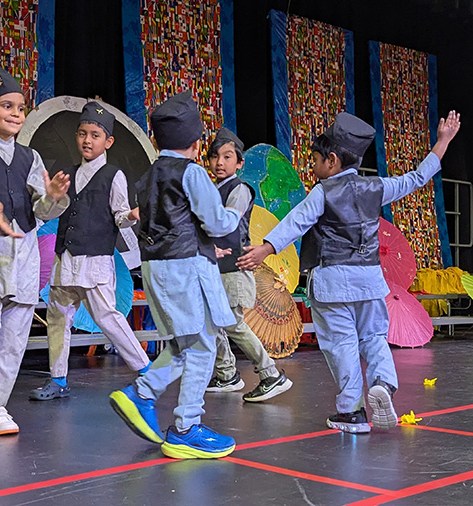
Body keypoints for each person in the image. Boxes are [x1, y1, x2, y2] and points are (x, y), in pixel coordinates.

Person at [237, 111, 461, 433]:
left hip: (331, 281)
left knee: (341, 344)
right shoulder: (376, 188)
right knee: (374, 338)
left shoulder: (323, 192)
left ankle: (352, 413)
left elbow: (296, 223)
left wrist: (266, 248)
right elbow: (416, 178)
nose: (312, 168)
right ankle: (383, 382)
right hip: (369, 280)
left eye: (315, 161)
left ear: (331, 160)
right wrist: (443, 141)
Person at [109, 92, 242, 459]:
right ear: (198, 144)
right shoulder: (192, 172)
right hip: (185, 268)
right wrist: (235, 212)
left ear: (155, 139)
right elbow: (215, 223)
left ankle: (145, 394)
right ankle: (183, 426)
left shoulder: (147, 174)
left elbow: (169, 223)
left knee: (186, 343)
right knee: (201, 345)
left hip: (156, 266)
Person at [0, 67, 71, 435]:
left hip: (24, 258)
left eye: (21, 107)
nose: (16, 113)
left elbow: (40, 211)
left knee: (15, 336)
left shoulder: (31, 158)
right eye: (7, 106)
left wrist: (53, 198)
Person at [30, 101, 150, 401]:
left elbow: (120, 215)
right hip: (65, 260)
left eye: (95, 135)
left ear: (107, 140)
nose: (87, 140)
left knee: (108, 317)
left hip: (95, 261)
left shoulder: (114, 175)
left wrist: (132, 216)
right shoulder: (67, 173)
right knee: (58, 319)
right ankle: (57, 379)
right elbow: (48, 212)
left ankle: (147, 372)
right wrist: (51, 196)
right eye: (83, 133)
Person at [205, 127, 293, 402]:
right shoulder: (212, 189)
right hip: (215, 267)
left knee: (231, 322)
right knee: (212, 323)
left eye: (227, 157)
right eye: (215, 157)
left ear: (239, 163)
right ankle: (227, 373)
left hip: (233, 266)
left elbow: (228, 222)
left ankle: (270, 374)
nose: (220, 163)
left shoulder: (239, 189)